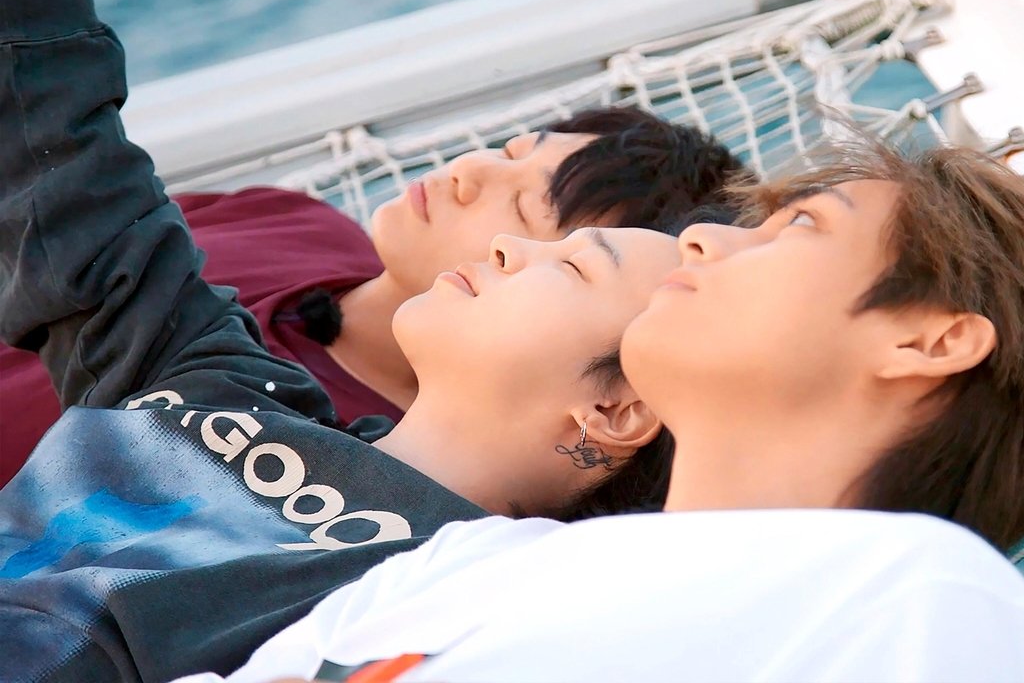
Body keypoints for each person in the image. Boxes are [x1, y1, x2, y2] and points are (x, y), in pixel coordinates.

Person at [182, 129, 1024, 681]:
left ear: (926, 339)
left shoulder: (918, 592)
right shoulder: (464, 558)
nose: (705, 239)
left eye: (801, 228)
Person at [0, 0, 723, 679]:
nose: (506, 247)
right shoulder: (226, 381)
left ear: (615, 410)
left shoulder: (455, 604)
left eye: (572, 264)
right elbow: (66, 175)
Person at [0, 75, 745, 489]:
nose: (468, 170)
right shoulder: (293, 217)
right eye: (510, 151)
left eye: (527, 209)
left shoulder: (325, 459)